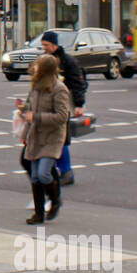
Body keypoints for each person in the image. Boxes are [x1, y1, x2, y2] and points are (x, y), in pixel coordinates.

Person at [20, 53, 71, 224]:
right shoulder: (36, 87)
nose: (34, 67)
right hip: (35, 135)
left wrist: (37, 117)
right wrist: (25, 131)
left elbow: (62, 116)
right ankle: (38, 213)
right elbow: (30, 112)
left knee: (43, 174)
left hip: (51, 137)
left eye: (38, 65)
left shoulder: (59, 89)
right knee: (35, 176)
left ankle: (55, 199)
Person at [39, 30, 86, 186]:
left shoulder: (67, 61)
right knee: (52, 138)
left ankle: (66, 171)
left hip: (62, 104)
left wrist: (79, 104)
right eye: (43, 45)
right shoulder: (45, 59)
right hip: (46, 104)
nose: (44, 47)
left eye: (46, 45)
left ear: (54, 44)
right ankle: (56, 169)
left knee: (61, 139)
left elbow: (77, 83)